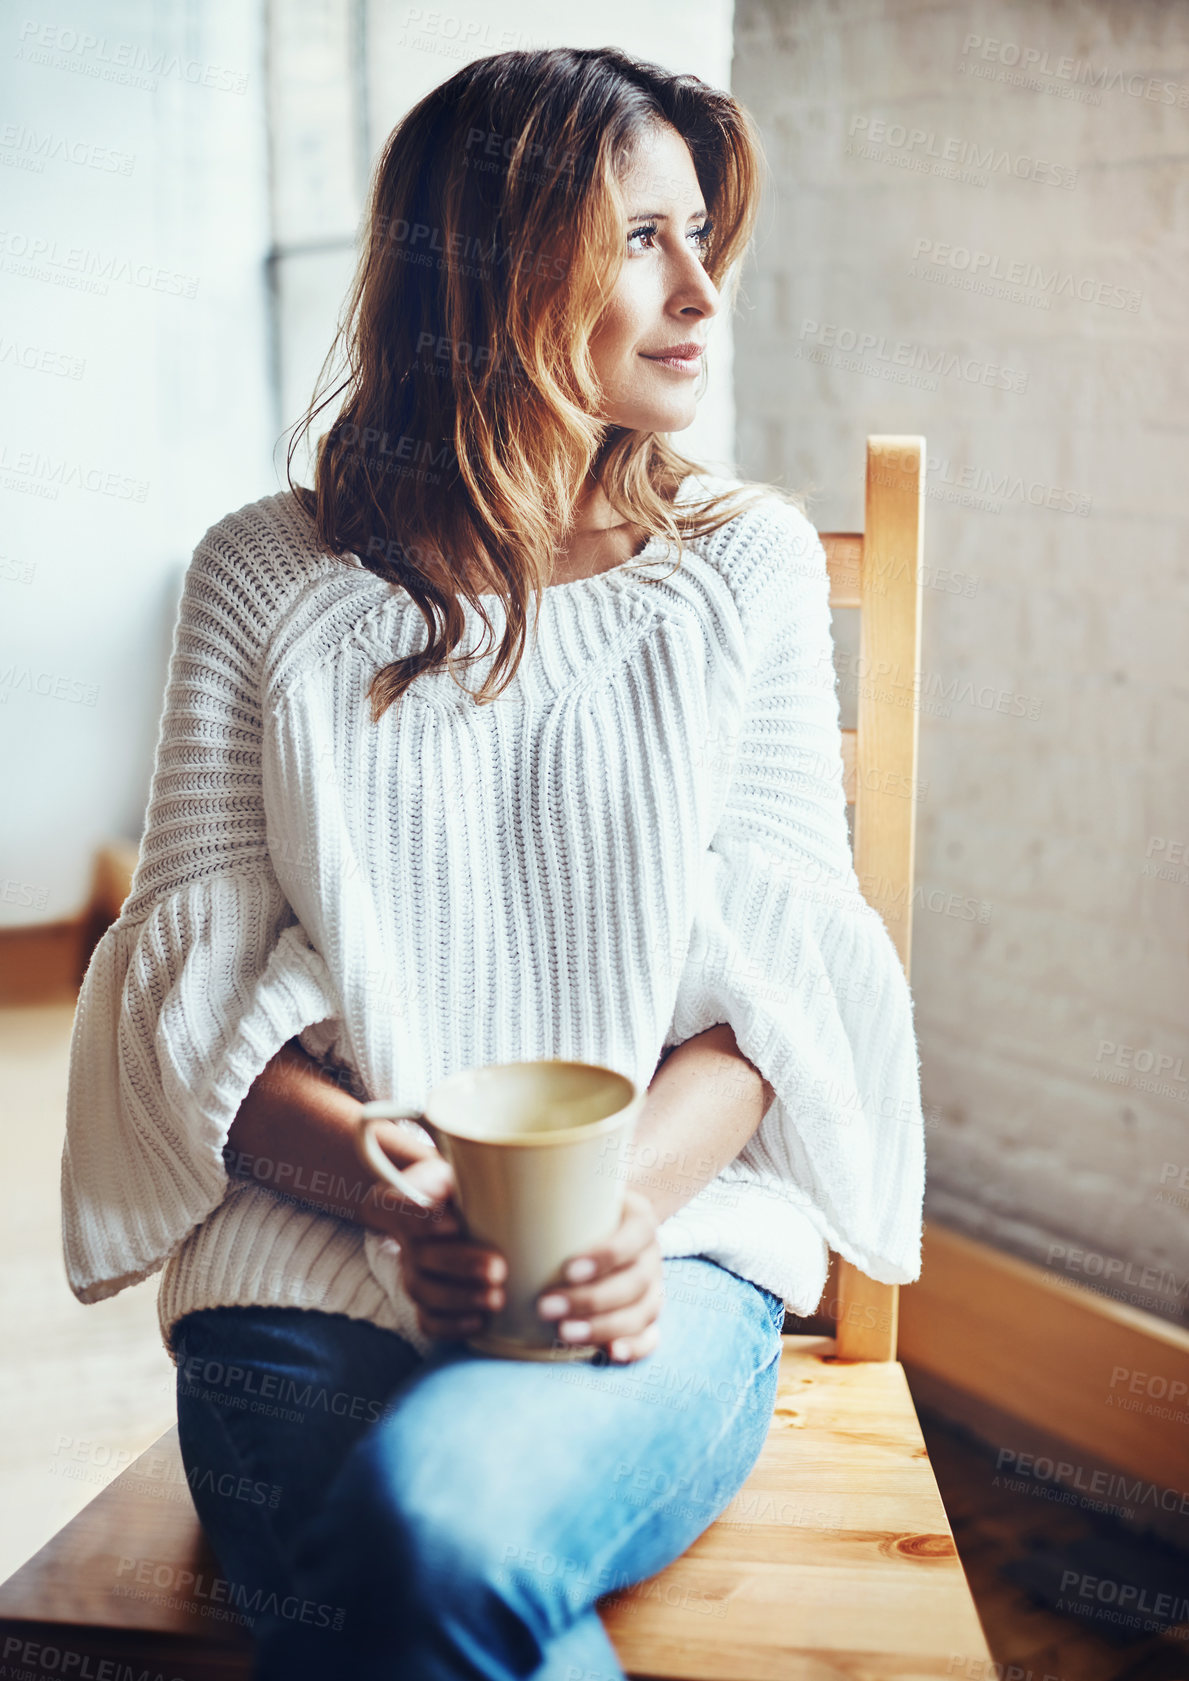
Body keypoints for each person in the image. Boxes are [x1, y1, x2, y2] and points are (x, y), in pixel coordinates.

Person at [60, 44, 926, 1681]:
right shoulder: (262, 576)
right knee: (408, 1595)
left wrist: (602, 1209)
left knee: (430, 1539)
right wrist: (387, 1182)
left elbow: (772, 997)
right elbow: (184, 1017)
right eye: (637, 241)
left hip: (647, 1268)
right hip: (295, 1274)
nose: (699, 290)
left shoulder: (735, 563)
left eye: (698, 236)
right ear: (485, 268)